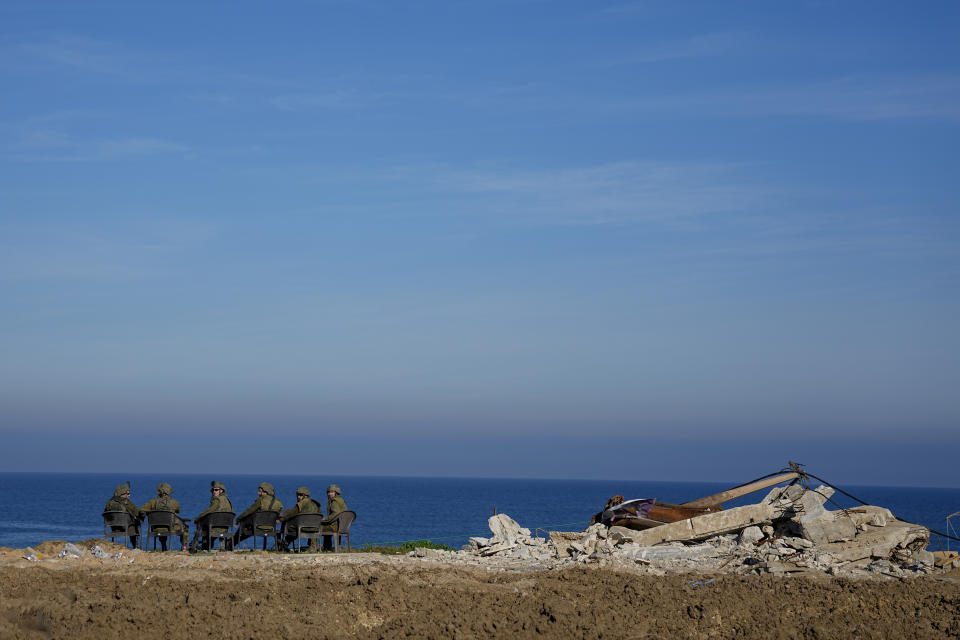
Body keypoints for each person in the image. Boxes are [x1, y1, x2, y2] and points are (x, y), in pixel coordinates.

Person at [139, 482, 189, 551]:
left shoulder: (152, 502)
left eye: (158, 490)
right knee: (185, 527)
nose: (157, 492)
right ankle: (184, 546)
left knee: (161, 525)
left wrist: (148, 515)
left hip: (156, 528)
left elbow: (142, 510)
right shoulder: (174, 502)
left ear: (162, 491)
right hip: (170, 528)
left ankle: (163, 546)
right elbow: (178, 510)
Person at [233, 482, 283, 549]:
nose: (258, 493)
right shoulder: (279, 503)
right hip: (270, 528)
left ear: (266, 492)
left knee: (244, 523)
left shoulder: (261, 500)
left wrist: (238, 519)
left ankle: (232, 542)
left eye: (260, 491)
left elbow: (249, 511)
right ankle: (232, 542)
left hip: (258, 527)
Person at [189, 481, 234, 552]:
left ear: (221, 490)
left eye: (216, 490)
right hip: (225, 528)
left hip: (215, 527)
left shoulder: (216, 500)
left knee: (201, 524)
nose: (214, 491)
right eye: (213, 490)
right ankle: (211, 547)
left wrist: (198, 518)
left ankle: (199, 546)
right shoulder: (228, 501)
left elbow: (209, 510)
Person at [276, 486, 323, 552]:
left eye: (300, 495)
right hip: (315, 528)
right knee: (308, 525)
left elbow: (291, 514)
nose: (298, 497)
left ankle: (284, 544)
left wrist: (280, 520)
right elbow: (319, 515)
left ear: (305, 496)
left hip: (302, 528)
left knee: (291, 527)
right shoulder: (316, 504)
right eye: (297, 495)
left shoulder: (301, 503)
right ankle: (313, 546)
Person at [103, 484, 141, 549]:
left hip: (114, 528)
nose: (129, 495)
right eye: (128, 493)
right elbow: (137, 512)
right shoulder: (127, 502)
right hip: (126, 527)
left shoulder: (109, 502)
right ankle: (135, 546)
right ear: (122, 494)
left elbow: (105, 513)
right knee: (136, 524)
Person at [322, 483, 348, 551]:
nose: (329, 494)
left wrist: (325, 519)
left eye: (331, 492)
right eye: (328, 492)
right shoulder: (341, 500)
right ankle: (336, 547)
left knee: (320, 527)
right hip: (343, 526)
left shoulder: (334, 501)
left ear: (336, 493)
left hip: (336, 526)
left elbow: (335, 513)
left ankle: (326, 548)